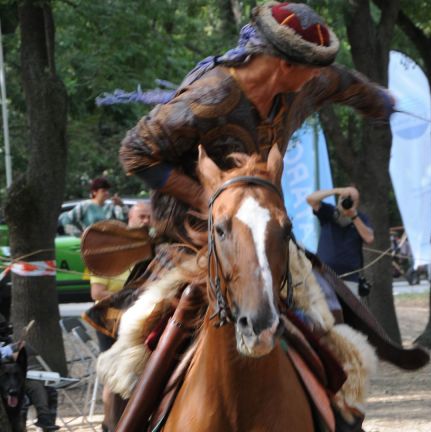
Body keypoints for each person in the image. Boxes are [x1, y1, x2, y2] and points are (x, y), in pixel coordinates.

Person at [105, 3, 394, 429]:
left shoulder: (302, 84)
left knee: (329, 326)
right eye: (309, 70)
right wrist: (207, 198)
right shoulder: (210, 95)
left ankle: (341, 420)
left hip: (267, 238)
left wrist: (382, 102)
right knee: (134, 337)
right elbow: (135, 152)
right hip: (194, 241)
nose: (315, 78)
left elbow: (342, 82)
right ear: (283, 64)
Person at [89, 201, 152, 352]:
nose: (146, 221)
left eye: (149, 217)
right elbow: (97, 293)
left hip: (140, 318)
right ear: (130, 217)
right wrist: (133, 297)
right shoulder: (109, 250)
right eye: (142, 217)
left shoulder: (153, 249)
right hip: (110, 317)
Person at [306, 186, 374, 297]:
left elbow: (369, 238)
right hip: (323, 275)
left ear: (356, 203)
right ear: (339, 199)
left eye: (351, 200)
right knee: (322, 307)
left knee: (349, 308)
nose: (346, 202)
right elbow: (310, 199)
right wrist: (336, 191)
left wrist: (354, 216)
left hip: (350, 279)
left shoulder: (361, 218)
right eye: (343, 198)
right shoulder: (329, 212)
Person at [58, 177, 127, 237]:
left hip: (108, 242)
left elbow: (124, 220)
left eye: (107, 191)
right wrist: (79, 234)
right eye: (103, 191)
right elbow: (65, 220)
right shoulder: (85, 206)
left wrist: (121, 205)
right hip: (90, 243)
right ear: (94, 192)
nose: (106, 193)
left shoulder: (111, 207)